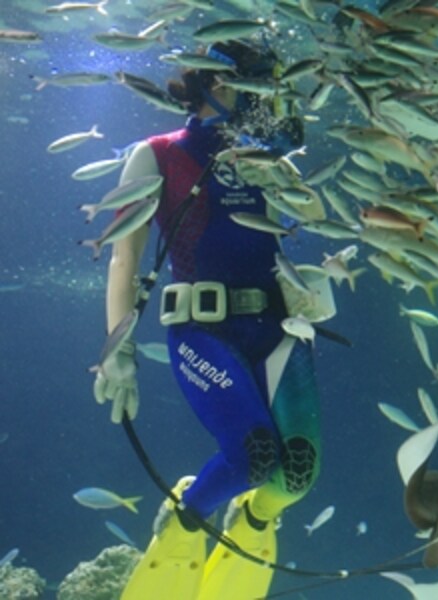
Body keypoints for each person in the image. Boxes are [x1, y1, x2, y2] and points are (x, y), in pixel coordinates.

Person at [92, 39, 329, 599]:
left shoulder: (272, 158)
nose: (270, 100)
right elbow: (124, 258)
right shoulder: (156, 153)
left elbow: (311, 223)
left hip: (277, 328)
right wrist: (117, 352)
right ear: (217, 84)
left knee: (297, 474)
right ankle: (182, 522)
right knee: (253, 456)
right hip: (202, 330)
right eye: (260, 85)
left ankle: (251, 521)